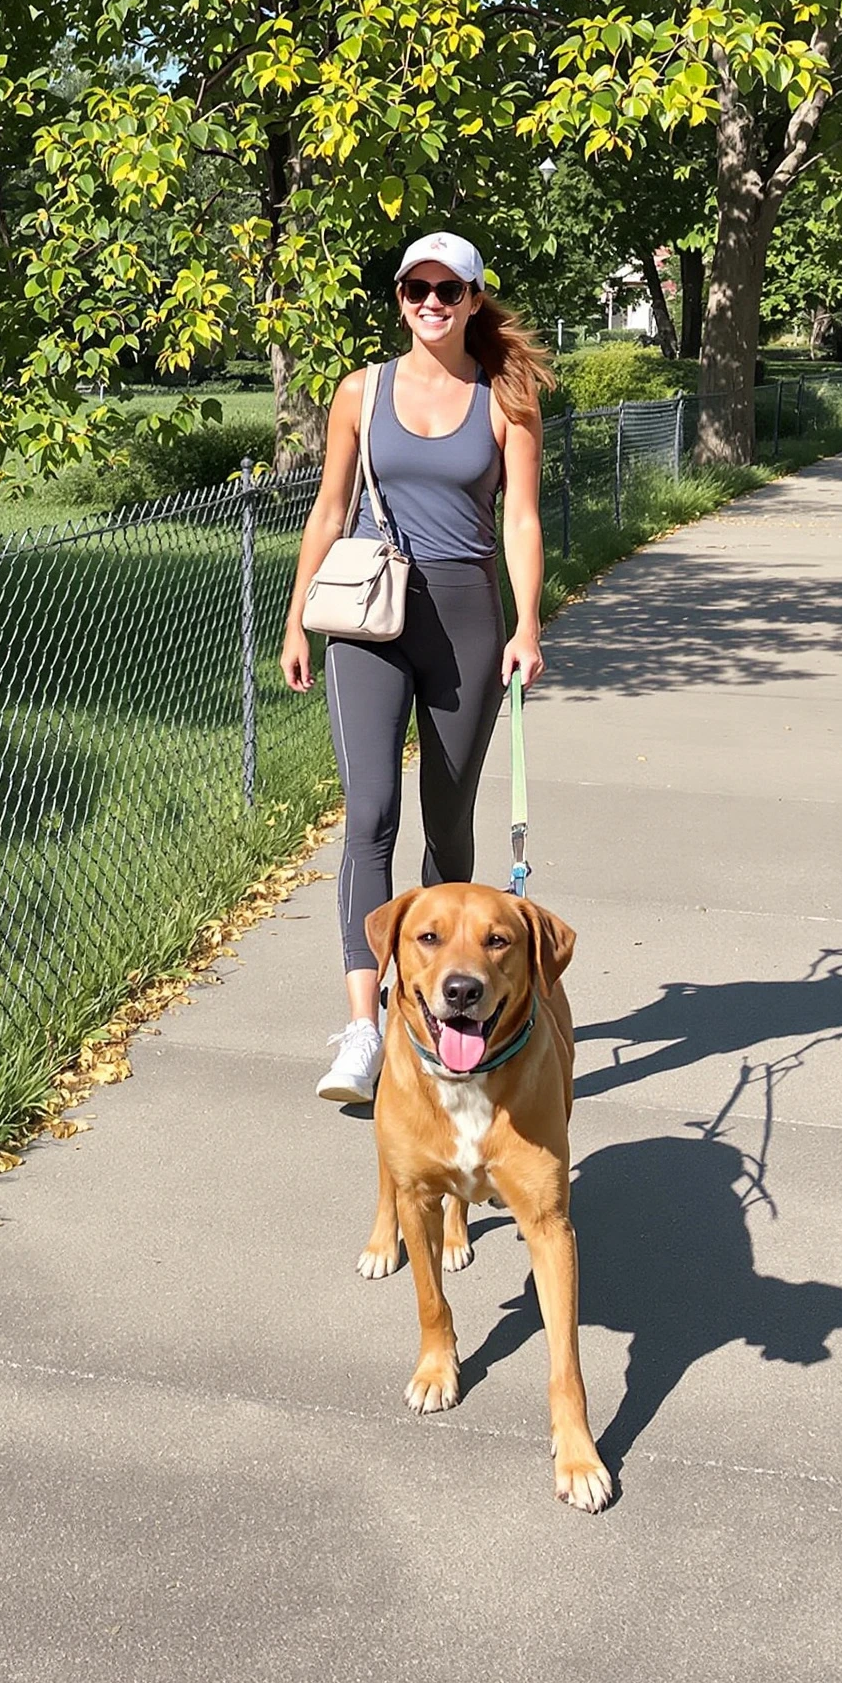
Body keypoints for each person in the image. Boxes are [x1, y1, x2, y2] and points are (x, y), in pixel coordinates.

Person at [279, 232, 549, 1103]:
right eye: (415, 287)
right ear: (399, 297)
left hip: (467, 616)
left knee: (449, 820)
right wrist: (295, 619)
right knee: (370, 813)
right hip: (367, 614)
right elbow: (329, 510)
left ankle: (444, 1011)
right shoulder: (362, 390)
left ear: (474, 298)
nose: (430, 301)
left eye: (447, 288)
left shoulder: (507, 399)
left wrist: (529, 623)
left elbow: (520, 522)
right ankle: (365, 1030)